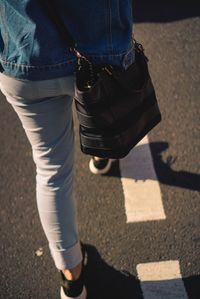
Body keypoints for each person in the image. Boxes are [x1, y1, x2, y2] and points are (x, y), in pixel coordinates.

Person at [0, 1, 134, 298]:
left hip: (25, 58)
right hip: (100, 49)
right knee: (105, 114)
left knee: (52, 169)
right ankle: (102, 154)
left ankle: (72, 277)